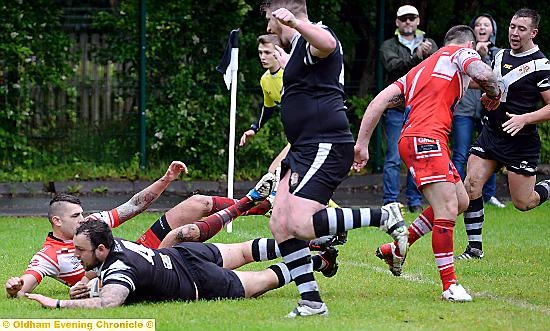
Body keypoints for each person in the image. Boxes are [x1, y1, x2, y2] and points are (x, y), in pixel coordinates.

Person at [263, 0, 408, 317]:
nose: (268, 28)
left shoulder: (315, 35)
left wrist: (296, 23)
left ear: (281, 12)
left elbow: (328, 44)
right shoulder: (299, 47)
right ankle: (311, 302)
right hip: (304, 147)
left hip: (324, 143)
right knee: (280, 223)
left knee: (301, 222)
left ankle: (384, 216)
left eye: (269, 19)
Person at [354, 25, 502, 302]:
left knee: (460, 201)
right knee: (447, 208)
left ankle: (397, 247)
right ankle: (450, 286)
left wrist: (361, 145)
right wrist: (494, 95)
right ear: (468, 43)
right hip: (426, 140)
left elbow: (378, 102)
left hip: (418, 139)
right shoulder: (462, 52)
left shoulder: (420, 70)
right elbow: (483, 75)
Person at [4, 164, 276, 298]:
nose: (85, 219)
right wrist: (15, 287)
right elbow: (27, 282)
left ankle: (268, 206)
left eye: (83, 213)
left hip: (137, 252)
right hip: (141, 269)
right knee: (184, 235)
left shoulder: (92, 225)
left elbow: (133, 205)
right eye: (77, 216)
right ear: (57, 222)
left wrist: (165, 179)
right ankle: (248, 203)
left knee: (197, 203)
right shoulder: (48, 255)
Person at [25, 220, 295, 308]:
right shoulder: (112, 242)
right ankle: (310, 243)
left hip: (197, 281)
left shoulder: (118, 268)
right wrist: (93, 283)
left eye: (80, 250)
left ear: (101, 248)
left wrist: (58, 303)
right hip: (182, 254)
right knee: (246, 250)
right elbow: (113, 275)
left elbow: (109, 302)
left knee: (263, 281)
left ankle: (314, 261)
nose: (76, 254)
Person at [458, 8, 550, 260]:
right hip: (492, 133)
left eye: (521, 29)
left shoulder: (541, 65)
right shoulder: (500, 56)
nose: (515, 33)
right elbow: (497, 86)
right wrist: (486, 93)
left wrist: (525, 118)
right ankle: (474, 249)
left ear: (533, 33)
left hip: (520, 142)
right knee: (472, 185)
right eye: (512, 27)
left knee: (524, 203)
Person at [379, 4, 438, 213]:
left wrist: (427, 55)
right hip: (396, 108)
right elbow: (393, 68)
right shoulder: (387, 45)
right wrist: (416, 57)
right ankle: (390, 202)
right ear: (397, 22)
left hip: (420, 109)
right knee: (394, 157)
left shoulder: (431, 45)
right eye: (403, 19)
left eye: (411, 18)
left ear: (418, 21)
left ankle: (415, 201)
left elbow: (437, 72)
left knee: (416, 156)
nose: (407, 22)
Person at [451, 13, 505, 210]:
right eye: (479, 25)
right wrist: (478, 54)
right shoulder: (463, 51)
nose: (482, 28)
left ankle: (488, 195)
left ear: (493, 30)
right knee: (460, 152)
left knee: (490, 152)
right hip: (463, 109)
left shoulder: (499, 54)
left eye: (487, 25)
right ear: (473, 30)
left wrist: (486, 55)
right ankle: (453, 194)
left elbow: (496, 79)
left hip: (488, 109)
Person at [239, 34, 284, 148]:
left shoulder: (291, 74)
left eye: (267, 53)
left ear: (278, 52)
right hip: (297, 135)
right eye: (260, 52)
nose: (262, 57)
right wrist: (254, 128)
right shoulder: (265, 79)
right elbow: (268, 108)